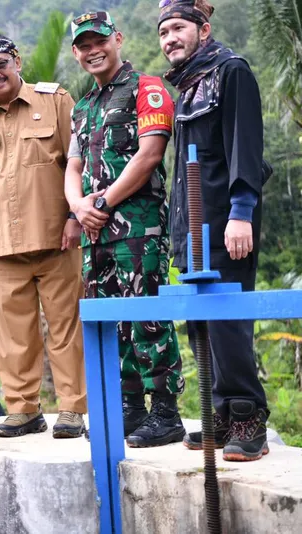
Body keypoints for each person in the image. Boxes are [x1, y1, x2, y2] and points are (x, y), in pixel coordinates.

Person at [158, 0, 271, 461]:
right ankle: (220, 414)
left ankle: (248, 417)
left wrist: (242, 212)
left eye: (179, 28)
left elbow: (245, 145)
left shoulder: (231, 72)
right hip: (192, 230)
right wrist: (177, 232)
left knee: (228, 322)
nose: (170, 39)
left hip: (226, 224)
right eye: (164, 32)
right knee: (200, 324)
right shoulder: (188, 86)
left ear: (203, 30)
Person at [65, 11, 185, 448]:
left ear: (117, 39)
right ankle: (131, 409)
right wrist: (79, 207)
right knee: (114, 324)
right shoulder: (83, 108)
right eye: (83, 45)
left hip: (138, 228)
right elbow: (72, 166)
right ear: (76, 53)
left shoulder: (146, 89)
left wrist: (102, 202)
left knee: (148, 317)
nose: (92, 50)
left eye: (99, 40)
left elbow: (150, 154)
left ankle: (166, 413)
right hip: (96, 234)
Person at [0, 34, 88, 439]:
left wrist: (74, 216)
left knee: (67, 325)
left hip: (57, 237)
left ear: (16, 61)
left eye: (1, 63)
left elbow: (77, 163)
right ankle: (23, 409)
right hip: (4, 246)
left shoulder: (55, 100)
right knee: (14, 334)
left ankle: (72, 409)